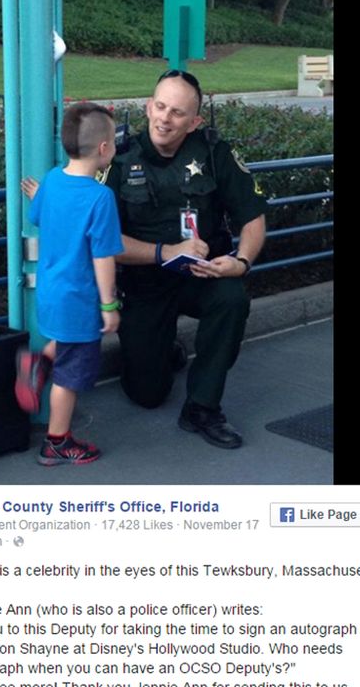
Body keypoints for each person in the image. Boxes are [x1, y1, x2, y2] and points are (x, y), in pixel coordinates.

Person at [105, 70, 268, 448]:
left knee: (232, 298)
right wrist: (165, 252)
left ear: (195, 121)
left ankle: (202, 407)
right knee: (146, 395)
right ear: (148, 106)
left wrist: (241, 261)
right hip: (144, 284)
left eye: (178, 112)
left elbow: (253, 216)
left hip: (201, 274)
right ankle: (166, 352)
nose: (165, 118)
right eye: (160, 107)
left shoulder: (214, 152)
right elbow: (103, 241)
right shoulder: (117, 157)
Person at [15, 102, 123, 465]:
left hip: (51, 292)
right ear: (104, 149)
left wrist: (40, 195)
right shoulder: (100, 197)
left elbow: (41, 214)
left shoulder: (52, 180)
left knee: (65, 343)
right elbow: (103, 257)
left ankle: (37, 363)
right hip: (79, 299)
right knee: (70, 377)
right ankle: (56, 442)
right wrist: (109, 306)